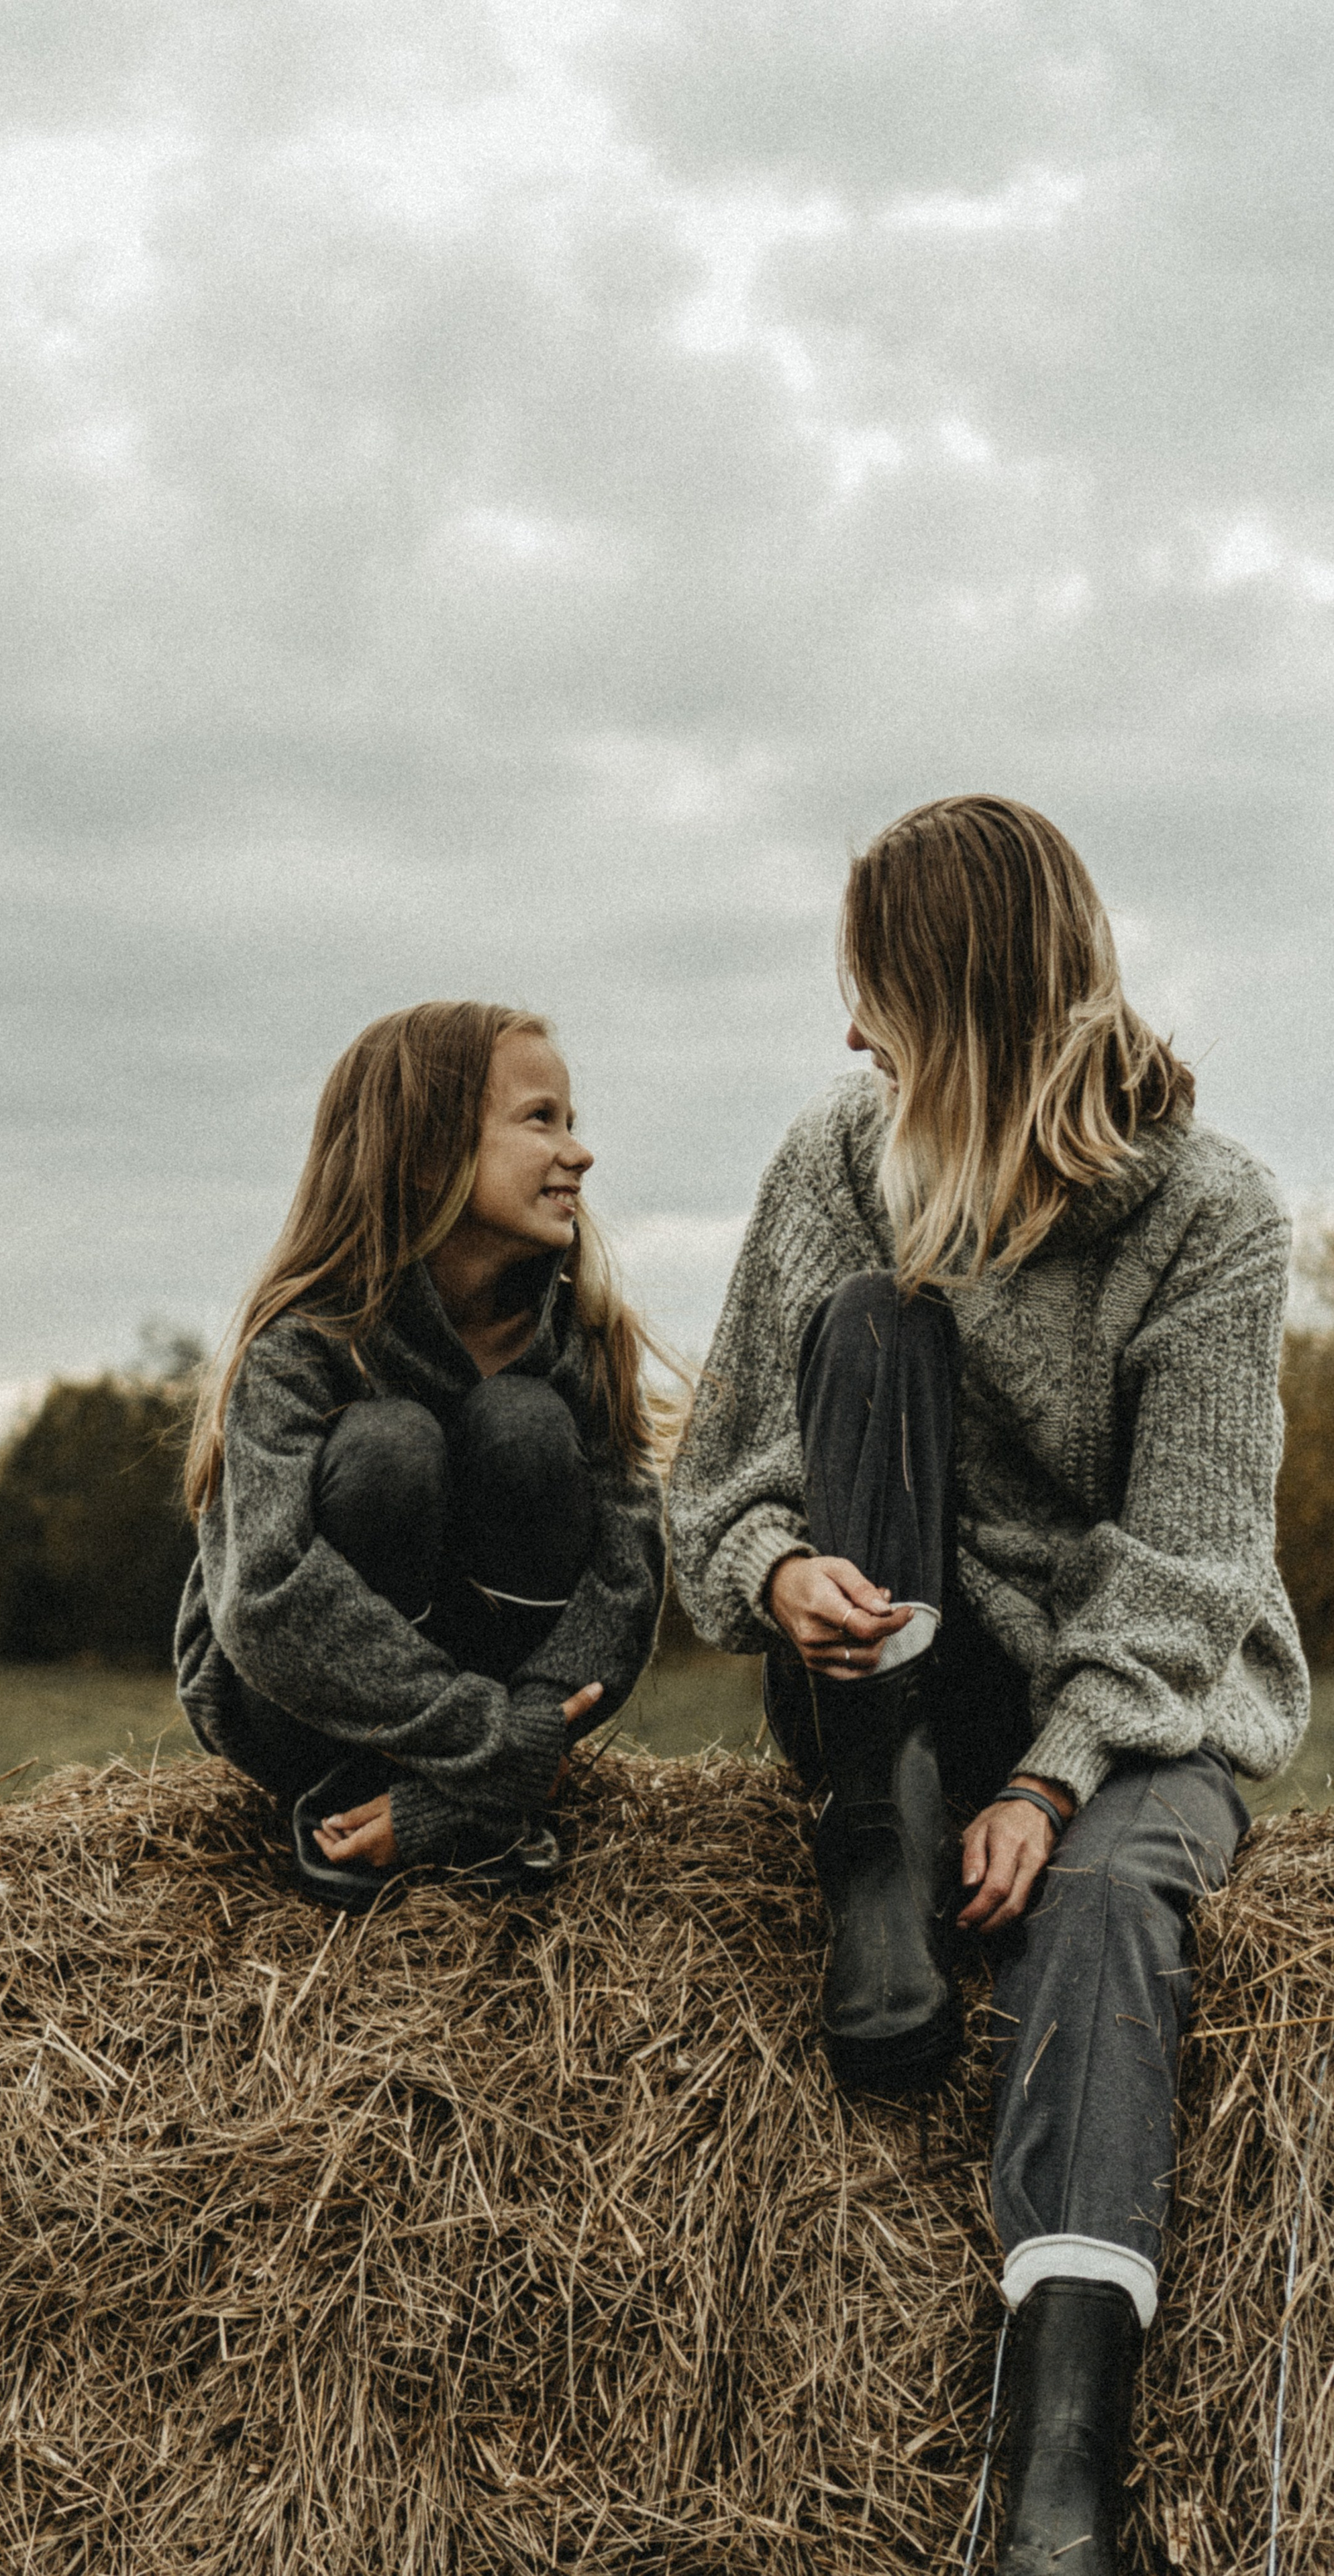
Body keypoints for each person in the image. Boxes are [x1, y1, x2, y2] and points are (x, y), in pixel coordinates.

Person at [668, 796, 1307, 2576]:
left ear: (960, 1008)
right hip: (899, 1673)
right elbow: (724, 1469)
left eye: (877, 996)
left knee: (1107, 1901)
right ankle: (873, 1849)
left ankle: (1059, 2455)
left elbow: (1190, 1561)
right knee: (872, 1329)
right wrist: (779, 1573)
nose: (850, 1037)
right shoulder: (839, 1158)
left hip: (1137, 1695)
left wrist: (1053, 1777)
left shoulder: (1211, 1214)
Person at [176, 1000, 669, 1908]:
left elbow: (626, 1577)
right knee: (390, 1444)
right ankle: (347, 1786)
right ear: (428, 1153)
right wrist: (500, 1743)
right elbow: (266, 1597)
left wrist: (513, 1754)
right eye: (540, 1121)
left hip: (507, 1709)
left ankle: (464, 1805)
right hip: (289, 1704)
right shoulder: (301, 1342)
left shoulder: (584, 1336)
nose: (580, 1153)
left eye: (573, 1122)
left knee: (523, 1423)